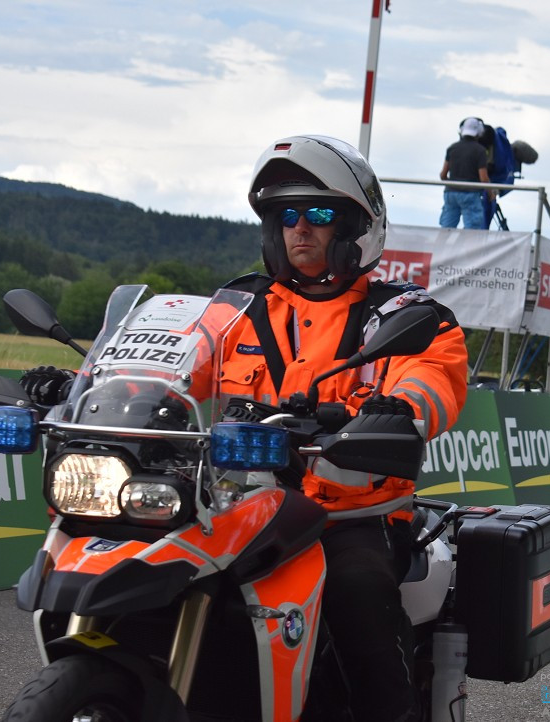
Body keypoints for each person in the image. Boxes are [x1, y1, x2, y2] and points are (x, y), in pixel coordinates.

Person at [25, 135, 468, 722]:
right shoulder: (235, 306)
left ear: (358, 227)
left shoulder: (403, 314)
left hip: (348, 512)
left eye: (318, 213)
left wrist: (398, 409)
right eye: (286, 215)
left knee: (357, 591)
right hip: (237, 502)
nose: (300, 229)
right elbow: (170, 362)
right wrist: (90, 387)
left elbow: (433, 378)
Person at [439, 117, 493, 229]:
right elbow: (483, 178)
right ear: (479, 132)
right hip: (470, 194)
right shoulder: (480, 151)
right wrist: (490, 193)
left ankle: (440, 246)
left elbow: (443, 175)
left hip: (450, 193)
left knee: (446, 228)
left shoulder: (452, 148)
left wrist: (452, 184)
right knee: (471, 231)